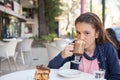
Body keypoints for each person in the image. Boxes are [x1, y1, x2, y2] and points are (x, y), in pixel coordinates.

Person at [48, 12, 120, 80]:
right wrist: (62, 55)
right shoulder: (74, 46)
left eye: (87, 33)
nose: (81, 37)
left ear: (97, 34)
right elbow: (50, 68)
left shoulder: (107, 48)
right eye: (78, 32)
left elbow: (117, 76)